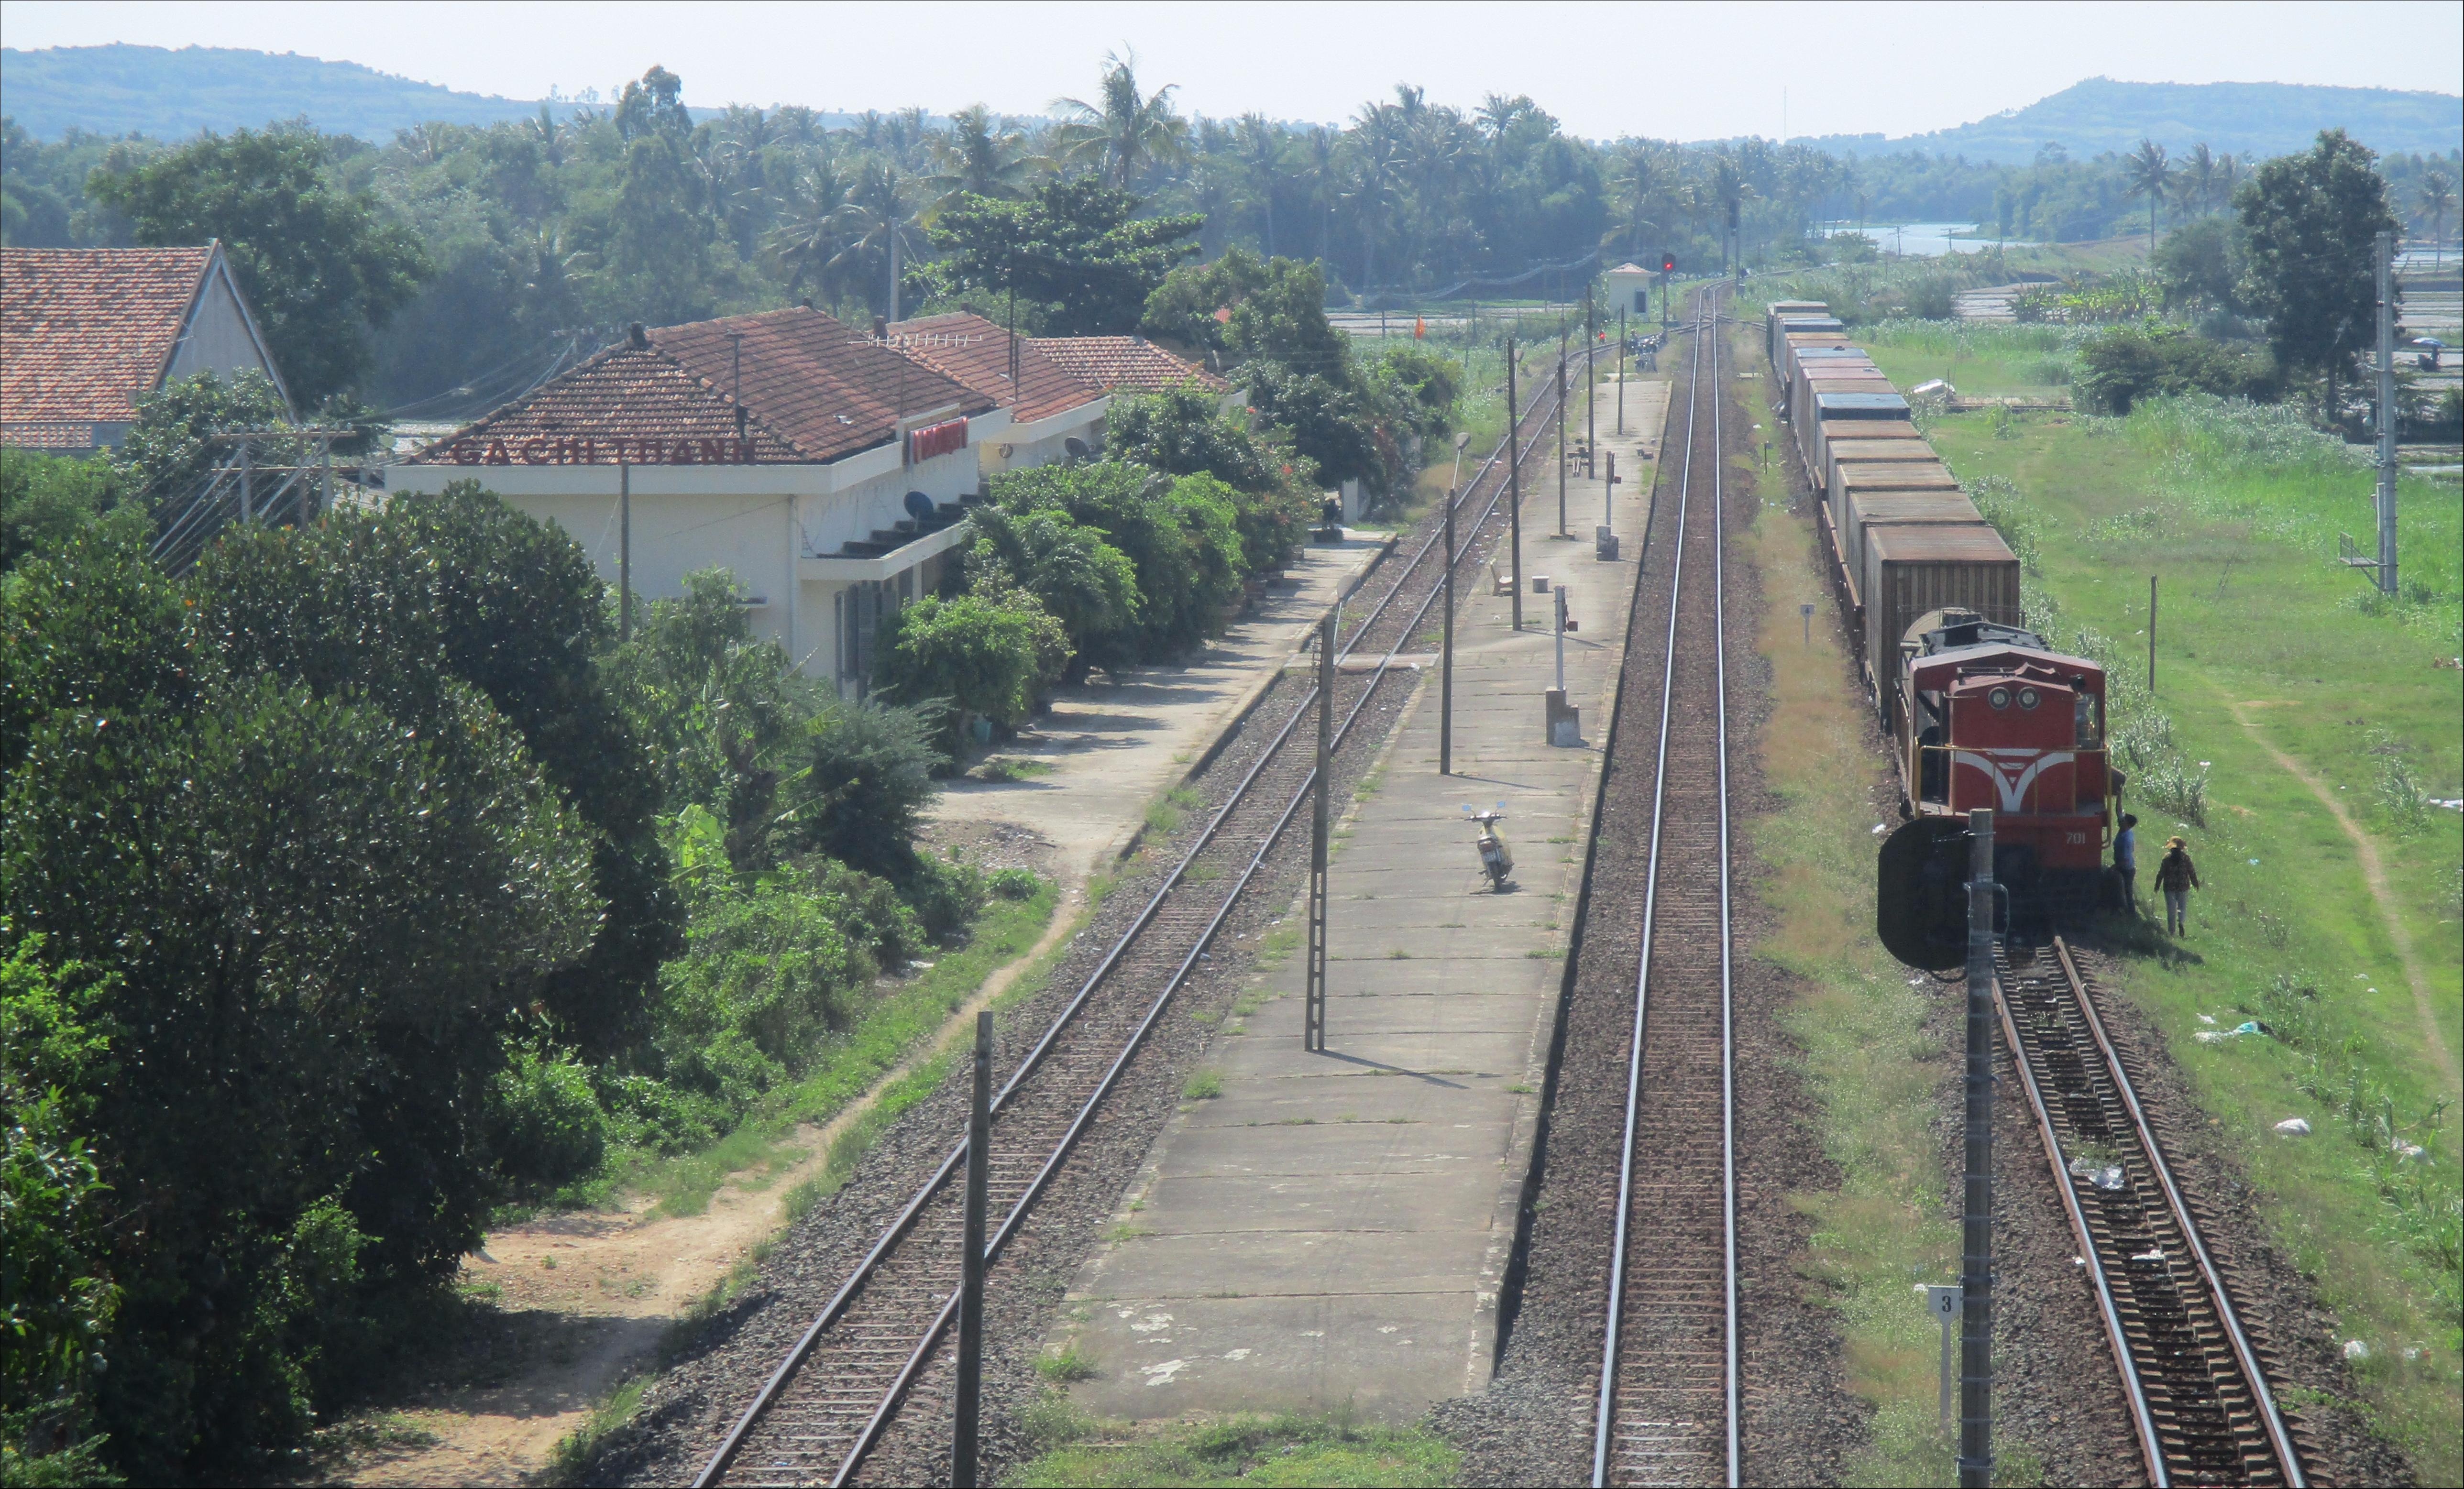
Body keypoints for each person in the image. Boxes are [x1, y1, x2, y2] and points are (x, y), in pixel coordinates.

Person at [2156, 836, 2200, 935]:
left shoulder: (2167, 859)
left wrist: (2157, 885)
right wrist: (2195, 883)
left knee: (2171, 910)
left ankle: (2172, 932)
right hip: (2183, 886)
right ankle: (2181, 923)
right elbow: (2191, 872)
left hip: (2169, 887)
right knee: (2182, 908)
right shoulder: (2186, 858)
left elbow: (2161, 873)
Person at [2113, 813, 2139, 914]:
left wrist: (2115, 867)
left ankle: (2131, 913)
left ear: (2127, 824)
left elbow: (2126, 859)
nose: (2122, 821)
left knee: (2128, 891)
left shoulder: (2126, 840)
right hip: (2124, 866)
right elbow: (2119, 812)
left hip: (2126, 869)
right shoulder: (2125, 832)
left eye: (2124, 820)